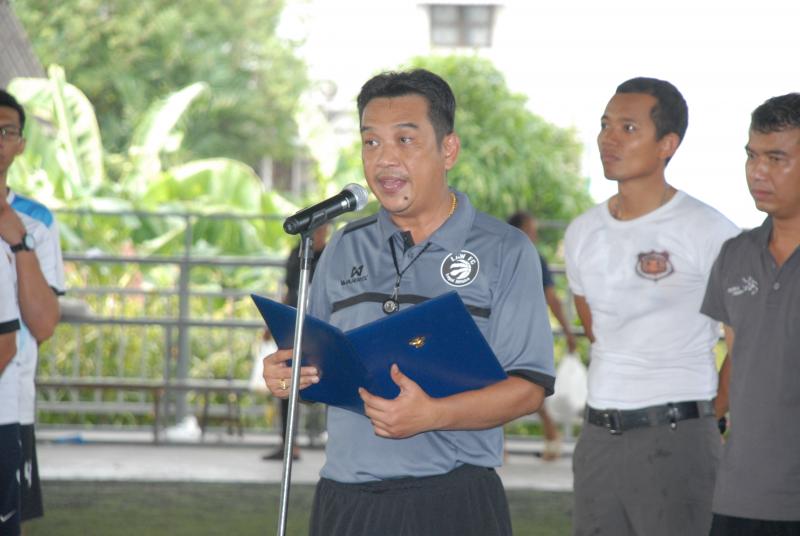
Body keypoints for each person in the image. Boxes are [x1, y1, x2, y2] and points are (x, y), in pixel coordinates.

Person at [262, 69, 555, 536]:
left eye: (405, 140)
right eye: (371, 142)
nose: (385, 159)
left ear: (448, 150)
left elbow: (528, 388)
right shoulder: (343, 246)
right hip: (345, 498)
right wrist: (287, 374)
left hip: (451, 500)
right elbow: (313, 361)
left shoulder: (506, 250)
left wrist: (434, 415)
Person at [564, 77, 740, 536]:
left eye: (628, 128)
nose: (609, 138)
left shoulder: (709, 231)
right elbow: (597, 331)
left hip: (679, 436)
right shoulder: (583, 232)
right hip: (598, 439)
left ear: (667, 144)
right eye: (605, 125)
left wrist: (709, 415)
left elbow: (743, 344)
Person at [701, 93, 800, 535]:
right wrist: (709, 417)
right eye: (752, 156)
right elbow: (739, 355)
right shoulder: (735, 255)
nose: (758, 171)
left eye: (776, 158)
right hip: (740, 495)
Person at [0, 89, 65, 531]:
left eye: (6, 131)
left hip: (9, 403)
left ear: (21, 144)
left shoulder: (36, 220)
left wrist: (18, 241)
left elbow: (42, 324)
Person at [508, 210, 577, 461]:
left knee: (518, 386)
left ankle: (549, 436)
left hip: (517, 333)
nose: (535, 235)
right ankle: (550, 437)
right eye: (531, 230)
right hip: (517, 334)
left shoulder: (505, 256)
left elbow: (551, 298)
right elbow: (552, 299)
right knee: (519, 386)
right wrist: (568, 331)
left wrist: (568, 331)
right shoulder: (525, 257)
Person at [262, 222, 329, 462]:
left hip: (320, 326)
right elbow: (289, 290)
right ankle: (289, 443)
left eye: (322, 230)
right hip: (293, 324)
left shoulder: (331, 254)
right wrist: (271, 325)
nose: (318, 234)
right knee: (287, 381)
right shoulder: (296, 254)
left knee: (321, 382)